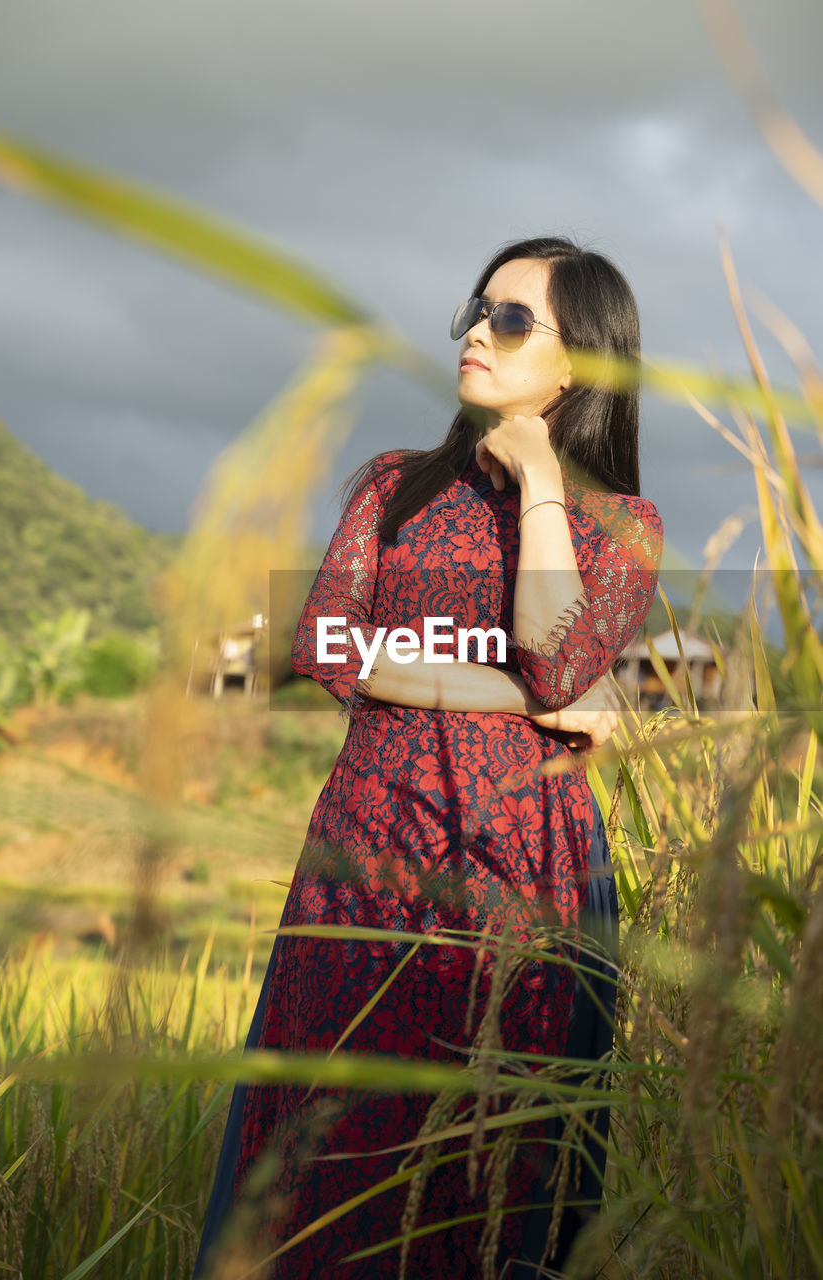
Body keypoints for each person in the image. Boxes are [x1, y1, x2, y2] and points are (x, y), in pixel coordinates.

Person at [192, 235, 664, 1279]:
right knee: (330, 1137)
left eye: (510, 320)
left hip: (525, 867)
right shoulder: (395, 485)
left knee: (491, 1153)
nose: (475, 335)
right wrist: (524, 693)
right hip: (371, 846)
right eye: (475, 310)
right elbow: (329, 642)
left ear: (580, 360)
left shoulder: (621, 524)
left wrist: (540, 474)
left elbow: (555, 647)